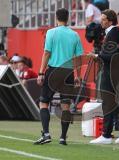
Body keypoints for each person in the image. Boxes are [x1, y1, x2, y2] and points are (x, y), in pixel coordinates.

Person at [34, 8, 83, 145]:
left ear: (56, 18)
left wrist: (41, 72)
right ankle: (62, 137)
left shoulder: (51, 32)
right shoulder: (75, 35)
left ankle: (46, 134)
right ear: (68, 18)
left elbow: (47, 53)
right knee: (65, 105)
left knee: (44, 102)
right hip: (68, 73)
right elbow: (78, 57)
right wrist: (78, 75)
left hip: (53, 71)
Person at [88, 9, 119, 144]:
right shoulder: (113, 32)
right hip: (111, 71)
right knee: (112, 103)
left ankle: (107, 135)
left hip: (111, 72)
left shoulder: (114, 33)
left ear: (110, 20)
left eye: (103, 19)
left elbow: (114, 56)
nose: (101, 21)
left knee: (108, 103)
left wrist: (97, 55)